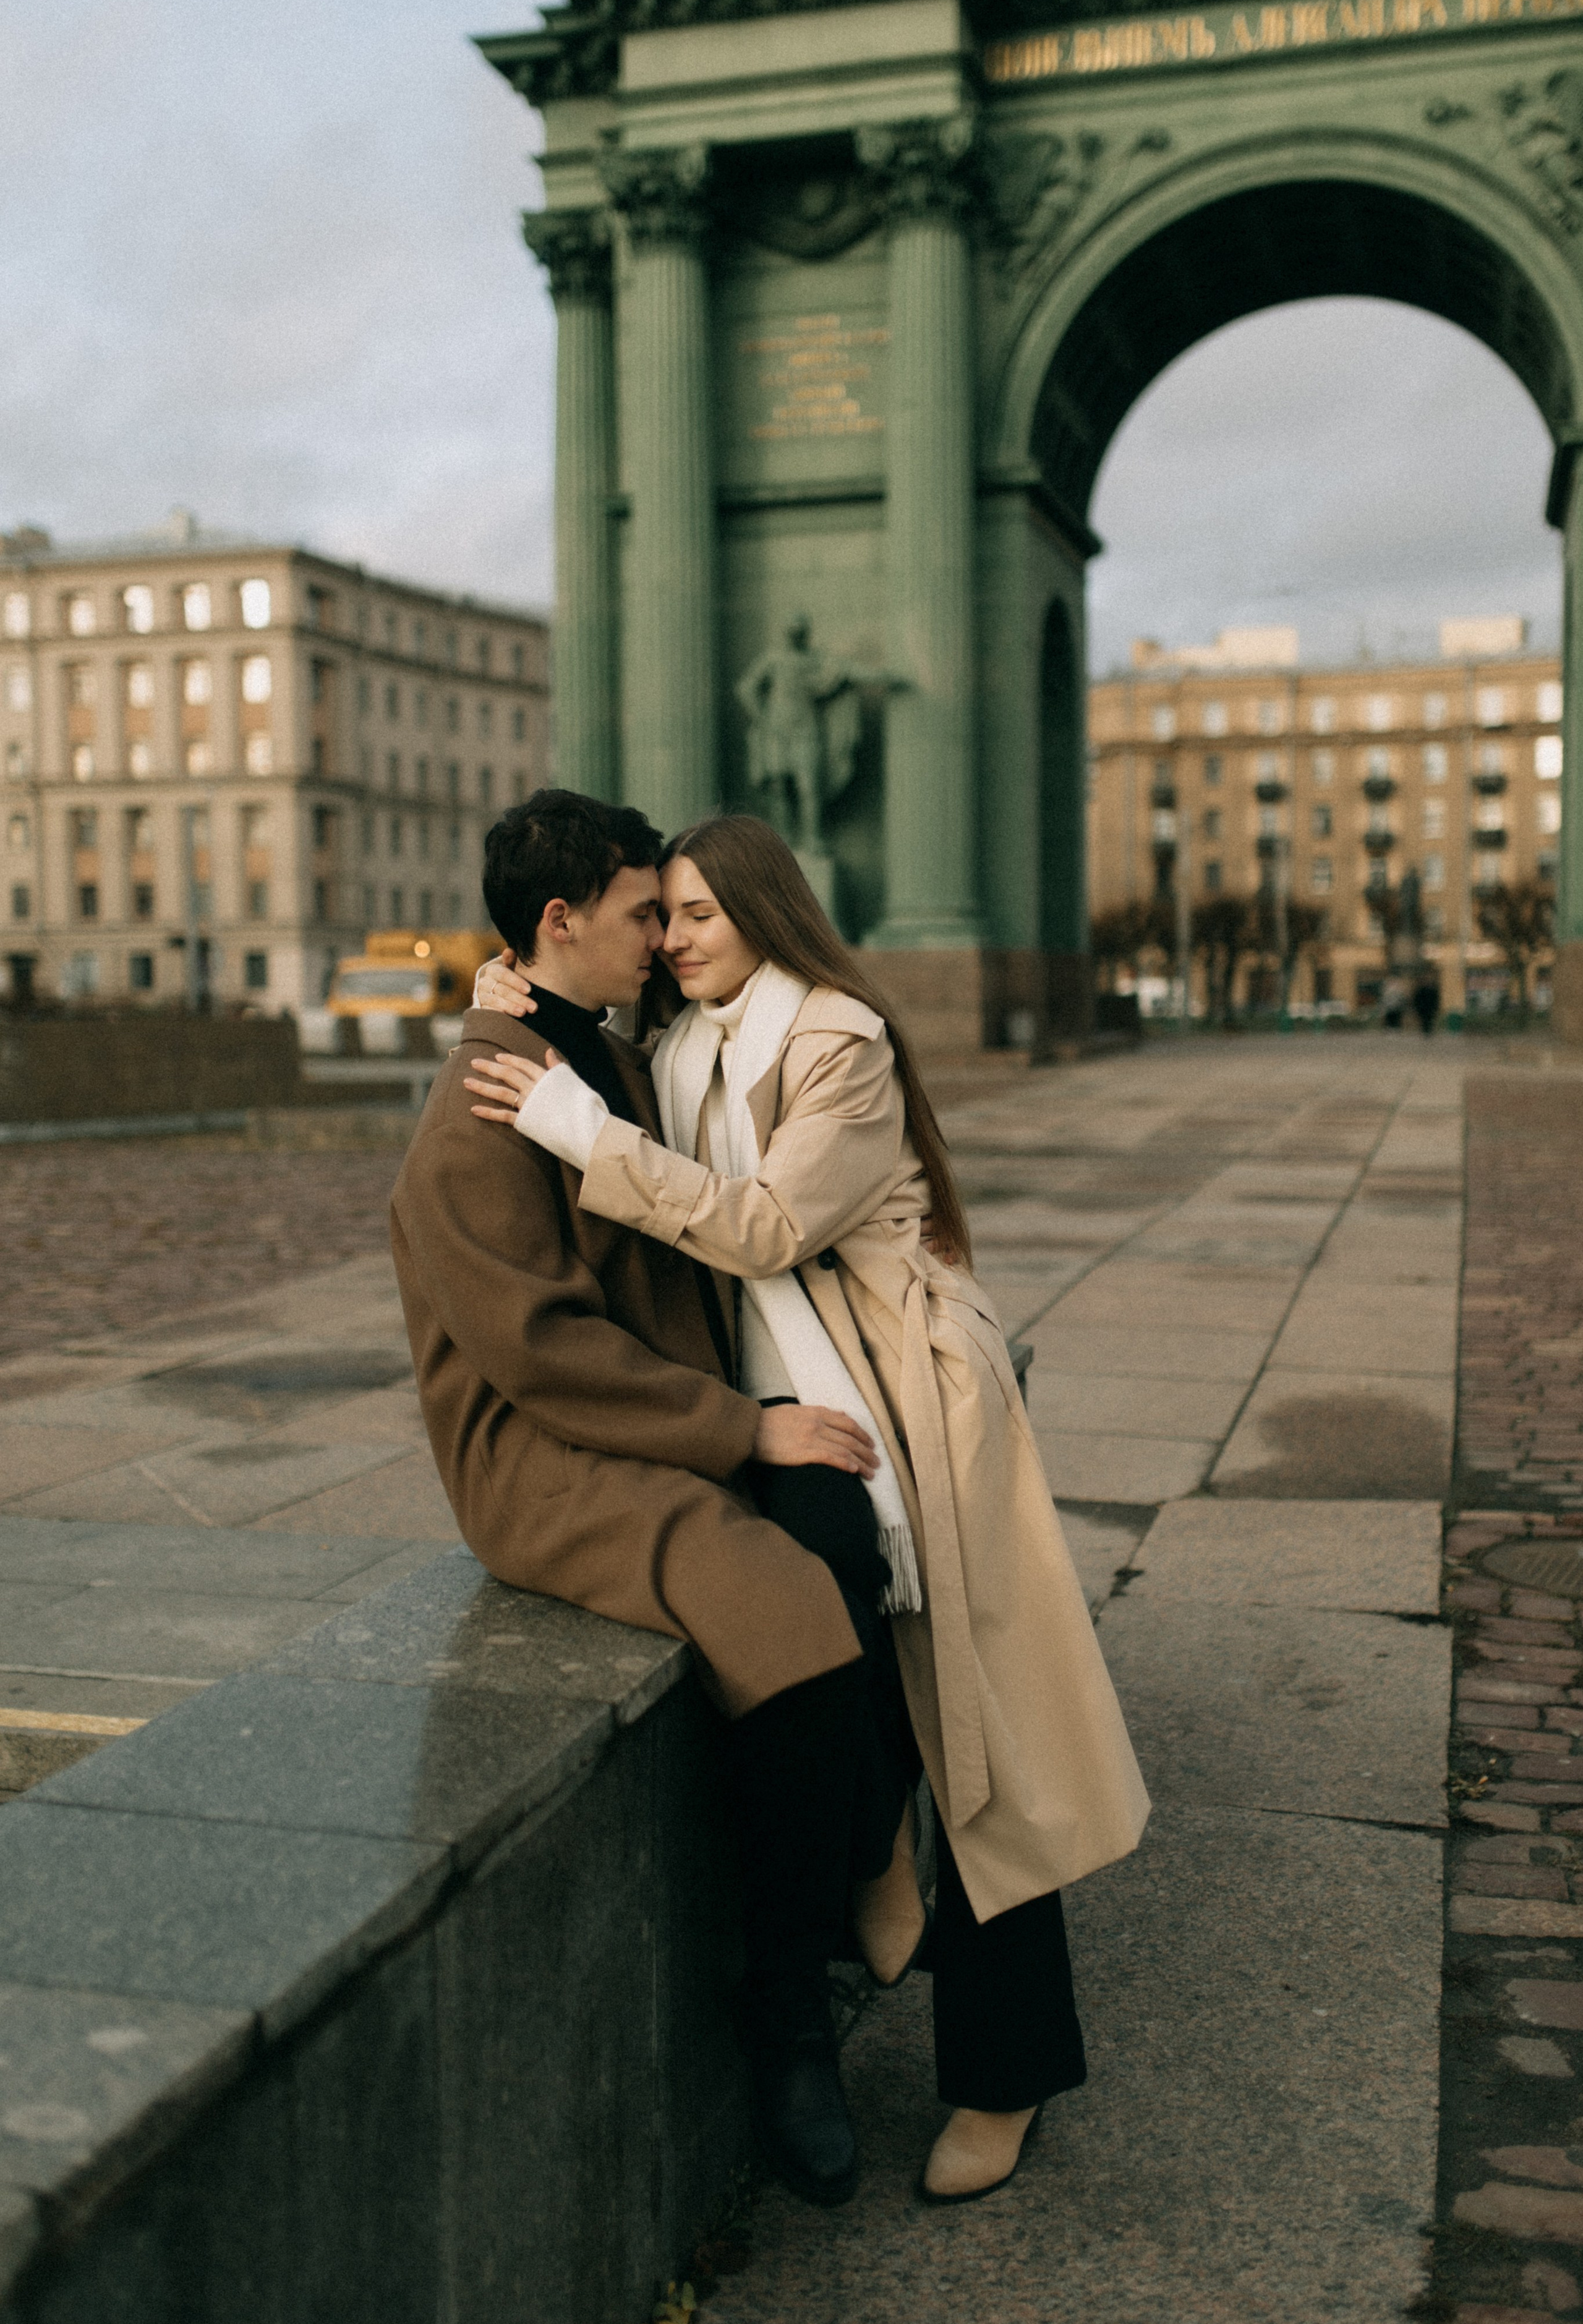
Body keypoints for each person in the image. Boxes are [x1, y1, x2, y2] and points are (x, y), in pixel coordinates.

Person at [469, 811, 1150, 2206]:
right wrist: (513, 1006)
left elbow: (767, 1226)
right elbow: (587, 1029)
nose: (674, 937)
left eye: (701, 913)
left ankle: (1003, 2073)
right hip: (793, 1396)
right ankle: (867, 1866)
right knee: (827, 1613)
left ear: (765, 915)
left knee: (989, 1735)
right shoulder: (684, 1038)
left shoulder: (839, 1040)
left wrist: (568, 1122)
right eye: (660, 914)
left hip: (906, 1393)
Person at [390, 788, 895, 2210]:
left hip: (644, 1416)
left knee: (844, 1532)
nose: (662, 940)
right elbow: (539, 1354)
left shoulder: (592, 1047)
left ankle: (868, 1848)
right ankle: (784, 2011)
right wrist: (747, 1430)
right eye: (639, 914)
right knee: (784, 1606)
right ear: (561, 923)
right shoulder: (484, 1104)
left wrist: (761, 1433)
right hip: (541, 1452)